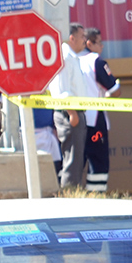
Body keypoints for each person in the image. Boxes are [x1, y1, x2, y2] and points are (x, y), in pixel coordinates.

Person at [48, 23, 90, 190]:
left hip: (74, 112)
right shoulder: (65, 58)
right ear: (72, 38)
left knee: (77, 158)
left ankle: (74, 191)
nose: (85, 40)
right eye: (82, 36)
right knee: (72, 159)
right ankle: (69, 194)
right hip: (69, 113)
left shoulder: (72, 57)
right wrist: (72, 113)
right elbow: (61, 91)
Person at [79, 28, 120, 193]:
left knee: (76, 160)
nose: (102, 46)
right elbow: (115, 90)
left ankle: (71, 193)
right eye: (99, 42)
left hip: (74, 117)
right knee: (98, 160)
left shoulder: (72, 60)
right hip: (95, 119)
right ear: (89, 43)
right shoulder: (96, 61)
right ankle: (96, 195)